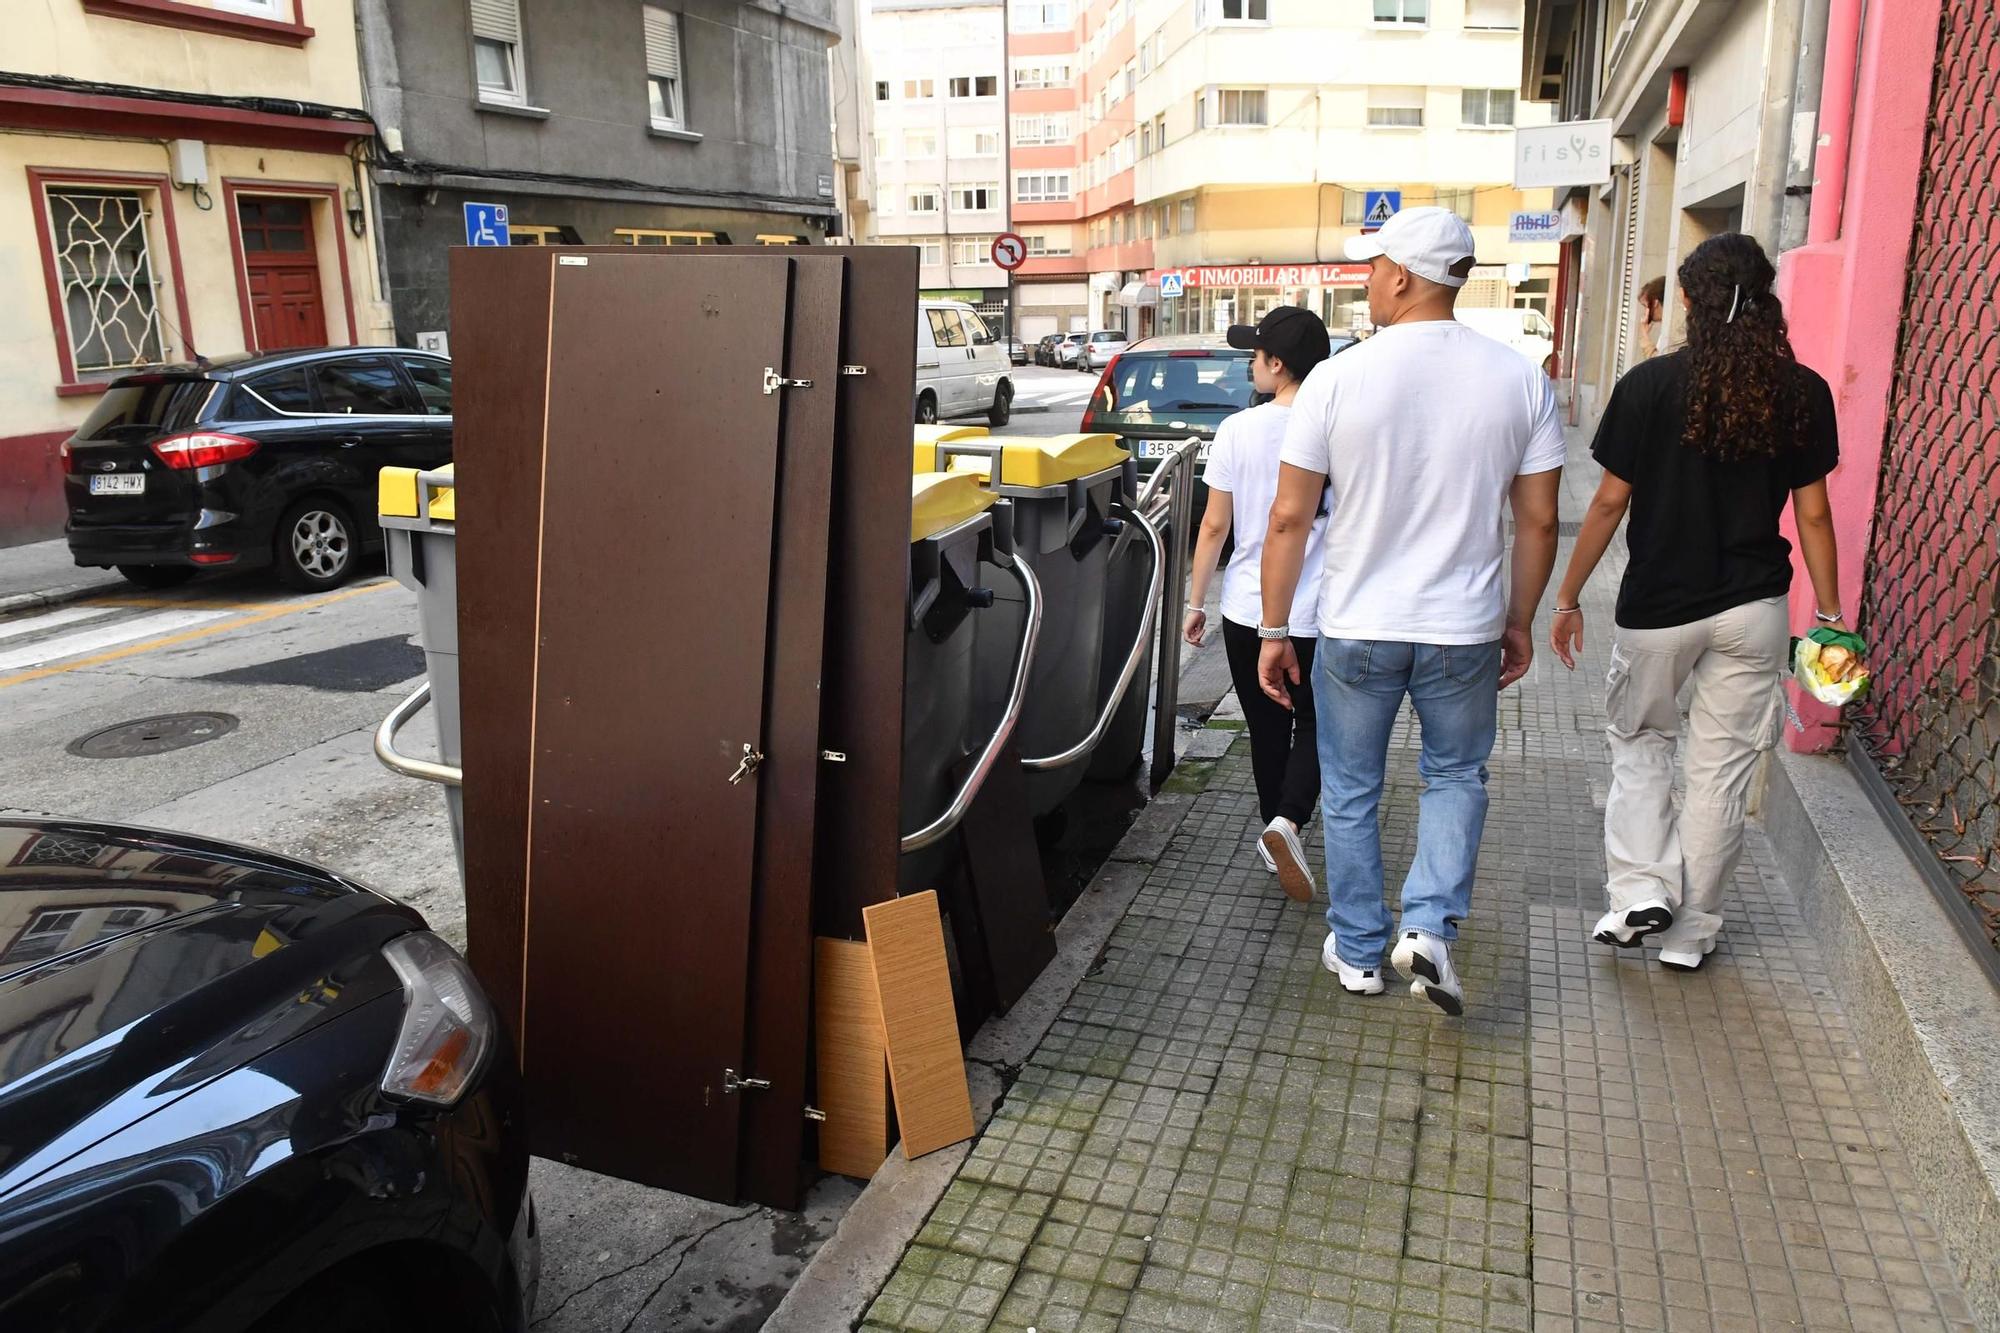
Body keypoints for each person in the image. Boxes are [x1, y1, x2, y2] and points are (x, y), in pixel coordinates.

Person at [1258, 207, 1566, 1015]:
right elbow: (1538, 521)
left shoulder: (1336, 379)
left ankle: (1360, 950)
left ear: (1401, 276)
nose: (1367, 281)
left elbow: (1289, 518)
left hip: (1357, 624)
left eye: (1373, 268)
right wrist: (1519, 619)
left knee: (1351, 785)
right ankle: (1427, 925)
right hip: (1463, 627)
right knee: (1455, 774)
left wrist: (1274, 629)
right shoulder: (1520, 379)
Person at [1550, 233, 1844, 971]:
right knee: (1721, 771)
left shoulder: (1650, 386)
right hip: (1755, 608)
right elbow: (1813, 515)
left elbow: (1608, 502)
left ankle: (1641, 891)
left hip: (1659, 607)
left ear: (1687, 300)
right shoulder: (1802, 392)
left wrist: (1568, 593)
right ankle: (1691, 932)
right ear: (1766, 298)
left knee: (1641, 742)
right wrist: (1831, 616)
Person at [1183, 307, 1335, 902]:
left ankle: (1277, 828)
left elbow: (1214, 526)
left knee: (1267, 728)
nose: (1250, 364)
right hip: (1320, 608)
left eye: (1255, 355)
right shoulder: (1335, 426)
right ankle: (1289, 823)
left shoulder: (1238, 429)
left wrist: (1196, 601)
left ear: (1277, 363)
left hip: (1249, 608)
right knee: (1318, 724)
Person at [1636, 276, 1666, 360]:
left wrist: (1644, 337)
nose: (1645, 312)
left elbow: (1659, 363)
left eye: (1645, 306)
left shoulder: (1670, 334)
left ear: (1655, 303)